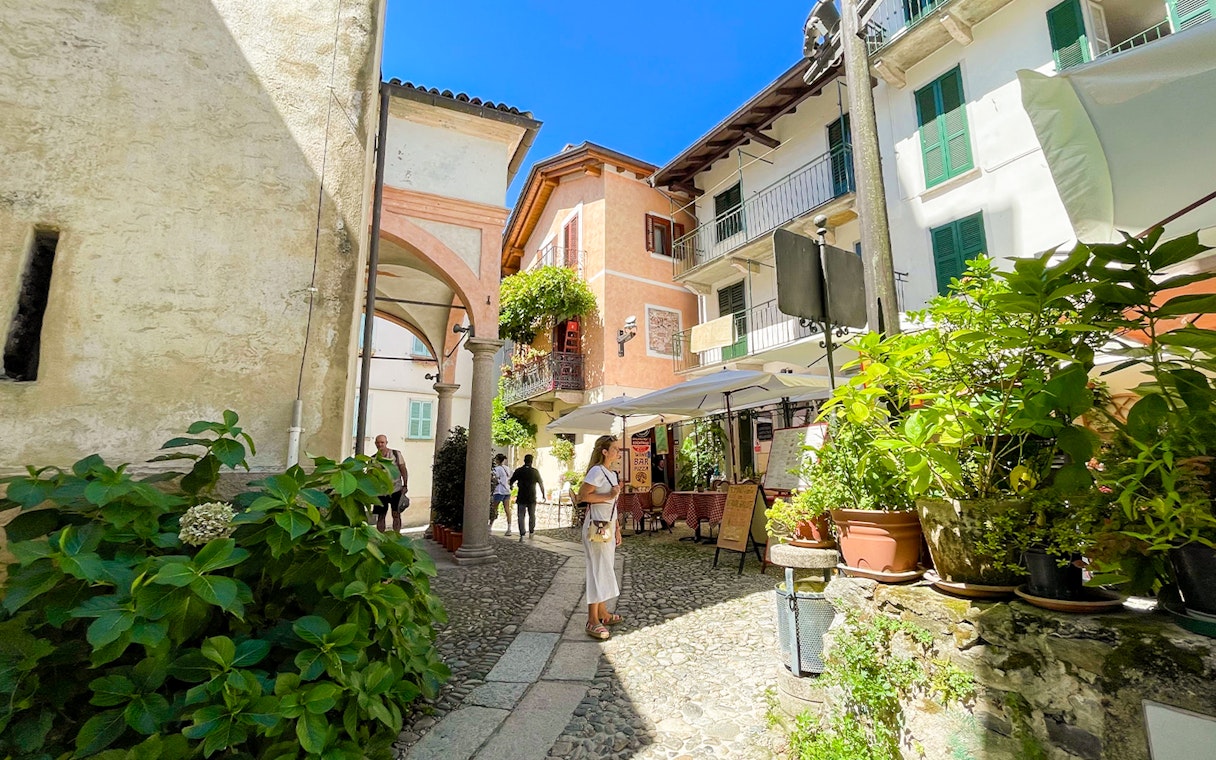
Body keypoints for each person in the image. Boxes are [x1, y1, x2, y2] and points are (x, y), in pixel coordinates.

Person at [577, 435, 623, 640]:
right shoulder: (597, 471)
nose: (618, 452)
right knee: (597, 569)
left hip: (608, 526)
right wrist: (608, 496)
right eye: (614, 448)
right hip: (596, 526)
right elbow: (583, 496)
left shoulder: (611, 474)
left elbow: (614, 505)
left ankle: (603, 613)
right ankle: (592, 620)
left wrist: (618, 528)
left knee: (604, 567)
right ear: (604, 451)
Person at [373, 435, 408, 533]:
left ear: (386, 443)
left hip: (395, 488)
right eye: (378, 442)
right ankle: (381, 537)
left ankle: (397, 535)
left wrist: (405, 485)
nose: (380, 444)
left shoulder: (395, 454)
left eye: (382, 442)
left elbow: (403, 469)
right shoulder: (373, 459)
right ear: (375, 443)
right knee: (381, 515)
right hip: (380, 491)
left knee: (396, 514)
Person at [509, 454, 545, 541]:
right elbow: (540, 483)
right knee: (532, 515)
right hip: (532, 496)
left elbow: (511, 481)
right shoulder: (535, 472)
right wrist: (543, 494)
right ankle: (531, 532)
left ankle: (522, 534)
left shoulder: (519, 471)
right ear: (531, 461)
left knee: (521, 515)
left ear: (524, 460)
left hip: (521, 496)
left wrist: (511, 487)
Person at [490, 453, 512, 536]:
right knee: (507, 509)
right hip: (507, 490)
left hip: (499, 490)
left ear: (498, 460)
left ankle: (490, 526)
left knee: (494, 508)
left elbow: (494, 478)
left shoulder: (497, 469)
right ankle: (509, 528)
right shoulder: (507, 468)